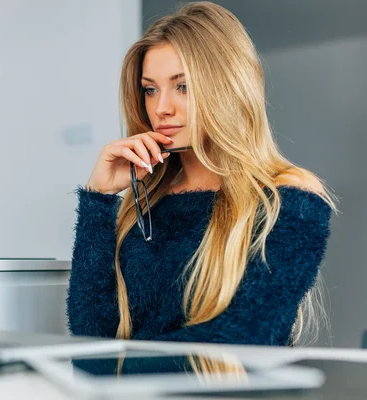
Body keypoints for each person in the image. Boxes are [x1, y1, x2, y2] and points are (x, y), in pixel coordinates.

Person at [66, 1, 337, 347]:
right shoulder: (143, 205)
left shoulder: (289, 200)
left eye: (183, 86)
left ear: (228, 87)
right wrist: (98, 200)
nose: (162, 107)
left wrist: (122, 372)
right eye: (151, 89)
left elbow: (239, 344)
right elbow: (92, 338)